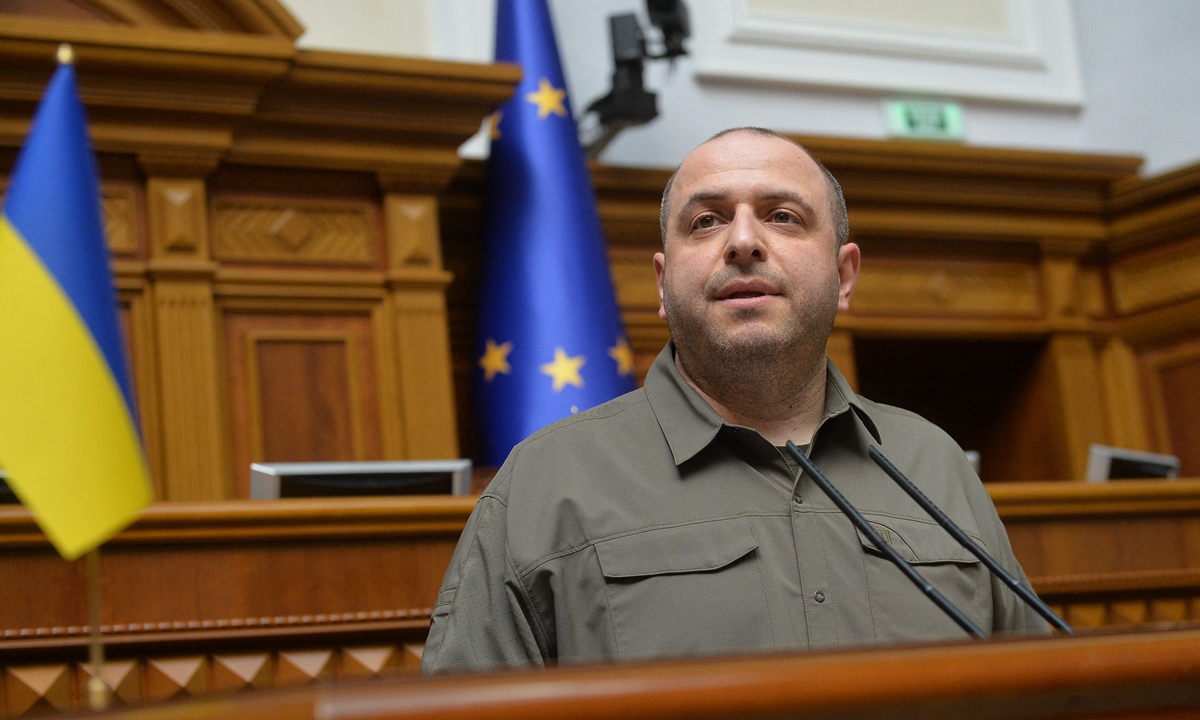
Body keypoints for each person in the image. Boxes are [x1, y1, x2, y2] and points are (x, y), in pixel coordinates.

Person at [421, 127, 1050, 674]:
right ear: (664, 285)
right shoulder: (545, 482)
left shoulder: (932, 462)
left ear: (844, 274)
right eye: (706, 221)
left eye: (783, 216)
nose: (743, 241)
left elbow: (1046, 694)